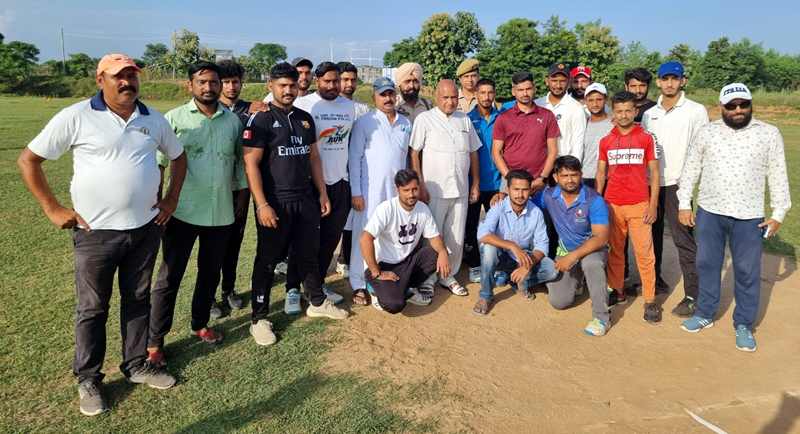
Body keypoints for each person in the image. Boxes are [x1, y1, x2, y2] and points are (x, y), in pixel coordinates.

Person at [17, 53, 186, 416]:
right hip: (95, 234)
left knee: (138, 299)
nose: (127, 82)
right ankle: (89, 378)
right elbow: (28, 159)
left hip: (144, 229)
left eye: (132, 76)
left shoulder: (152, 118)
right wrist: (52, 208)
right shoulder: (77, 116)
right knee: (92, 308)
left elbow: (178, 155)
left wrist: (171, 198)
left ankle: (136, 364)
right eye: (117, 76)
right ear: (100, 80)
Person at [677, 83, 791, 352]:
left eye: (743, 104)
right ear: (721, 106)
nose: (738, 110)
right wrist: (684, 204)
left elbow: (778, 174)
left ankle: (744, 324)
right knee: (707, 264)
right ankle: (705, 313)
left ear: (751, 104)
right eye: (731, 105)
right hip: (710, 210)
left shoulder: (768, 133)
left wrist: (778, 213)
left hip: (749, 216)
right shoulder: (707, 132)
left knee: (746, 270)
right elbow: (691, 169)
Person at [148, 61, 247, 364]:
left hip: (221, 211)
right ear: (189, 85)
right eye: (201, 82)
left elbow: (239, 163)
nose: (208, 87)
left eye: (214, 82)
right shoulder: (173, 119)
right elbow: (157, 164)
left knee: (209, 273)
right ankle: (154, 342)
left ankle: (199, 324)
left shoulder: (232, 121)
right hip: (181, 211)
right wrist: (160, 203)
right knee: (169, 277)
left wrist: (243, 196)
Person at [243, 62, 349, 347]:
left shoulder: (304, 118)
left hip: (306, 199)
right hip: (276, 203)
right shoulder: (261, 119)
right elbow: (250, 163)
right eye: (282, 86)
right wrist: (261, 204)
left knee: (308, 253)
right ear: (271, 87)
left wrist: (322, 193)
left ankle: (317, 302)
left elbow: (314, 157)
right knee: (267, 261)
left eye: (292, 85)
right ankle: (259, 319)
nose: (288, 90)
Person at [281, 62, 356, 313]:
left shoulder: (348, 106)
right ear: (316, 81)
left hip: (340, 182)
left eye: (336, 81)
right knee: (303, 241)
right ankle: (293, 288)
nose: (333, 86)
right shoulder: (304, 104)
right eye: (327, 81)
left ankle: (317, 285)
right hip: (311, 184)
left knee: (329, 240)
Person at [641, 61, 707, 315]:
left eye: (674, 79)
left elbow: (701, 148)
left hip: (678, 185)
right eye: (665, 79)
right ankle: (655, 280)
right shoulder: (650, 113)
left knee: (683, 239)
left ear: (683, 81)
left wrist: (688, 180)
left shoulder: (695, 110)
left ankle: (693, 294)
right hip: (651, 184)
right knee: (652, 236)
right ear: (658, 82)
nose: (669, 83)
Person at [410, 79, 481, 297]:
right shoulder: (424, 119)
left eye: (453, 97)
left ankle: (448, 276)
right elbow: (414, 153)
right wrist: (420, 184)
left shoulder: (464, 120)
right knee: (432, 237)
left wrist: (475, 183)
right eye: (445, 97)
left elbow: (473, 152)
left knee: (456, 238)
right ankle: (428, 278)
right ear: (436, 97)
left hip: (461, 189)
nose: (450, 102)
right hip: (434, 191)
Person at [595, 91, 662, 324]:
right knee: (615, 250)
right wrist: (598, 202)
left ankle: (650, 299)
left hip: (640, 204)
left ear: (636, 111)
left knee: (645, 253)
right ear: (612, 113)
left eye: (628, 111)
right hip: (613, 204)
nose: (623, 115)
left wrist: (653, 204)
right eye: (619, 111)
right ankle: (617, 289)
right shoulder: (606, 141)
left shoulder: (647, 138)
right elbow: (601, 173)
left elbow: (655, 174)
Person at [348, 77, 412, 306]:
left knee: (391, 234)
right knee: (365, 235)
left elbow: (407, 159)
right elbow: (354, 158)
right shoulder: (365, 122)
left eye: (391, 93)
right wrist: (356, 192)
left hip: (396, 193)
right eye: (382, 94)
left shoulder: (405, 123)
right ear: (374, 96)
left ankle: (384, 278)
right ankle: (358, 282)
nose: (388, 98)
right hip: (370, 191)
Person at [533, 156, 611, 336]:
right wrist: (503, 197)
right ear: (555, 177)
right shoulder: (548, 196)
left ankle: (602, 317)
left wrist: (572, 256)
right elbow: (524, 205)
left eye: (574, 175)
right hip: (566, 251)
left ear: (581, 175)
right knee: (558, 302)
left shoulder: (594, 199)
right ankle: (579, 282)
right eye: (565, 175)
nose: (570, 180)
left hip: (593, 250)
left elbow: (601, 238)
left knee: (591, 263)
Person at [360, 170, 451, 313]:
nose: (411, 194)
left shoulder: (422, 208)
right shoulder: (387, 208)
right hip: (383, 265)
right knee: (394, 305)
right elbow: (365, 239)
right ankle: (374, 289)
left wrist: (443, 252)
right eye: (406, 190)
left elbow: (434, 237)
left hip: (406, 262)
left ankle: (406, 288)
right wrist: (376, 272)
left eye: (415, 189)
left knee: (437, 254)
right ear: (397, 190)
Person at [212, 59, 261, 316]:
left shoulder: (253, 109)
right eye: (226, 82)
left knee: (234, 243)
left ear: (242, 83)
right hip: (213, 188)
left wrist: (244, 193)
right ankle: (208, 293)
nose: (231, 87)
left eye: (235, 81)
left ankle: (228, 289)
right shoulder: (211, 107)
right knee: (212, 245)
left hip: (239, 187)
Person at [473, 169, 557, 316]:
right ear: (508, 190)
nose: (520, 194)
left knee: (552, 269)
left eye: (525, 190)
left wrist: (527, 266)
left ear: (530, 190)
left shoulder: (536, 212)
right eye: (516, 189)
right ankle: (485, 296)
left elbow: (542, 245)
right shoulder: (498, 206)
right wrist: (512, 245)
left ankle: (518, 281)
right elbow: (483, 234)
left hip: (521, 258)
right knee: (489, 249)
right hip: (499, 257)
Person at [492, 71, 560, 197]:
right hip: (511, 182)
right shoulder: (503, 118)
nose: (525, 93)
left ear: (534, 89)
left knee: (540, 211)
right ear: (513, 91)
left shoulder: (547, 115)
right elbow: (496, 152)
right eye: (520, 90)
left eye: (528, 89)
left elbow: (553, 150)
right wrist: (509, 178)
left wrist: (542, 178)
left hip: (539, 182)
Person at [335, 60, 371, 280]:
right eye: (345, 79)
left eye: (353, 80)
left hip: (357, 170)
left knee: (354, 216)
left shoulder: (363, 109)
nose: (349, 84)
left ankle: (346, 258)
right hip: (335, 169)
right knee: (338, 218)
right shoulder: (330, 106)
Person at [464, 78, 502, 284]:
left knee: (497, 227)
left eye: (490, 92)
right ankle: (474, 264)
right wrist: (473, 183)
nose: (487, 97)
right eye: (483, 93)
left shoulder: (502, 118)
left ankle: (497, 264)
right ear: (476, 94)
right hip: (473, 184)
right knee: (470, 226)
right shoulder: (467, 120)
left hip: (497, 183)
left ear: (494, 94)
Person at [535, 63, 586, 160]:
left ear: (569, 82)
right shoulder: (537, 105)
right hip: (539, 162)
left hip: (563, 163)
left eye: (562, 81)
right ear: (547, 81)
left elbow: (578, 142)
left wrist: (572, 166)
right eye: (554, 80)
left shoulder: (576, 107)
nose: (558, 85)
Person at [582, 83, 613, 189]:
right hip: (585, 176)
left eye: (599, 100)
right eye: (591, 100)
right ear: (585, 101)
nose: (595, 104)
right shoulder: (582, 123)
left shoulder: (614, 124)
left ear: (606, 99)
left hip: (608, 178)